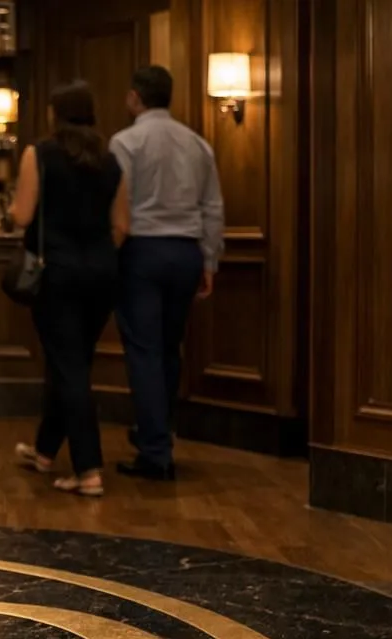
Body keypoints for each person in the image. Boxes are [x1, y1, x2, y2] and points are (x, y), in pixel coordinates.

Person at [9, 81, 130, 498]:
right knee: (73, 362)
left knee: (69, 368)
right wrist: (94, 255)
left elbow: (23, 215)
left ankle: (88, 469)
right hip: (102, 275)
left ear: (53, 115)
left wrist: (13, 207)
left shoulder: (39, 154)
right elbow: (122, 227)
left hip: (55, 274)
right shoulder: (111, 160)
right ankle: (44, 452)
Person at [108, 65, 224, 480]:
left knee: (143, 351)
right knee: (169, 349)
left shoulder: (125, 142)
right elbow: (212, 207)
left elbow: (119, 206)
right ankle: (156, 434)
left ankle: (155, 451)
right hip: (186, 253)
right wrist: (209, 260)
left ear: (136, 97)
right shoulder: (197, 144)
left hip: (142, 252)